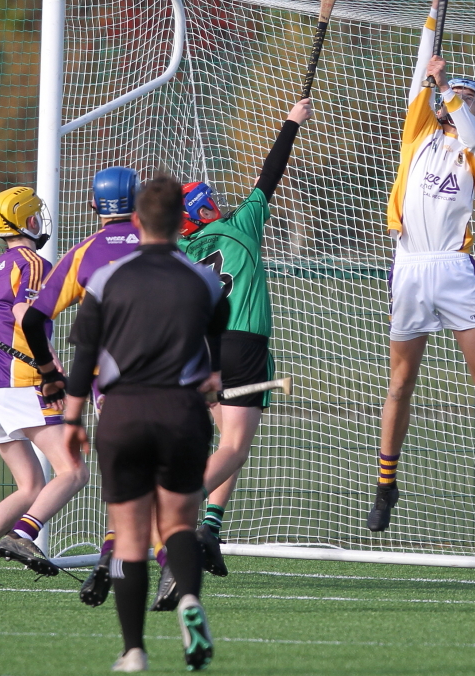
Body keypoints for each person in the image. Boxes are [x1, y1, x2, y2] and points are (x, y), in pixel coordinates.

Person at [368, 0, 475, 533]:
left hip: (456, 270)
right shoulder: (418, 133)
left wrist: (449, 90)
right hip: (410, 267)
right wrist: (436, 0)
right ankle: (386, 485)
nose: (455, 99)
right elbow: (423, 62)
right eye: (452, 93)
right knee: (401, 382)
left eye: (468, 97)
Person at [62, 174, 228, 673]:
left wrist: (72, 418)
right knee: (177, 524)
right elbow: (214, 350)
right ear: (181, 222)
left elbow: (83, 354)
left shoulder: (107, 279)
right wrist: (212, 378)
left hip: (124, 414)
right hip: (181, 414)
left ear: (137, 220)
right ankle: (190, 604)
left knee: (129, 537)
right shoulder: (202, 278)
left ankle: (133, 649)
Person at [177, 97, 312, 582]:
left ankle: (209, 527)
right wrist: (292, 123)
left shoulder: (181, 249)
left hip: (198, 351)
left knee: (220, 440)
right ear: (207, 207)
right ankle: (175, 512)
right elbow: (269, 174)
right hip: (245, 344)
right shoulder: (243, 225)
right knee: (234, 446)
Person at [18, 166, 140, 599]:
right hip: (169, 379)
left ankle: (113, 558)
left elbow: (34, 318)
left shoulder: (85, 252)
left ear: (94, 205)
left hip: (110, 384)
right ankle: (151, 560)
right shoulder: (163, 245)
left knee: (122, 479)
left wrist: (50, 372)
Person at [0, 187, 90, 578]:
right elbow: (23, 314)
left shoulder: (0, 264)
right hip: (19, 382)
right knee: (73, 471)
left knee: (30, 485)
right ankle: (22, 534)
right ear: (30, 221)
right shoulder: (32, 262)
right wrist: (51, 366)